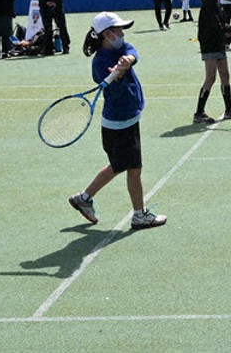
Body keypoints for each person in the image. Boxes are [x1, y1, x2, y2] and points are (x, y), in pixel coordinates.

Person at [67, 12, 167, 231]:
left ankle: (84, 197)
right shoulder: (100, 63)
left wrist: (128, 61)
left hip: (125, 120)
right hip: (121, 123)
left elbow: (131, 51)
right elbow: (116, 91)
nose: (123, 34)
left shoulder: (120, 49)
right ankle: (140, 215)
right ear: (108, 35)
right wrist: (117, 76)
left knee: (119, 165)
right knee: (134, 168)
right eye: (119, 30)